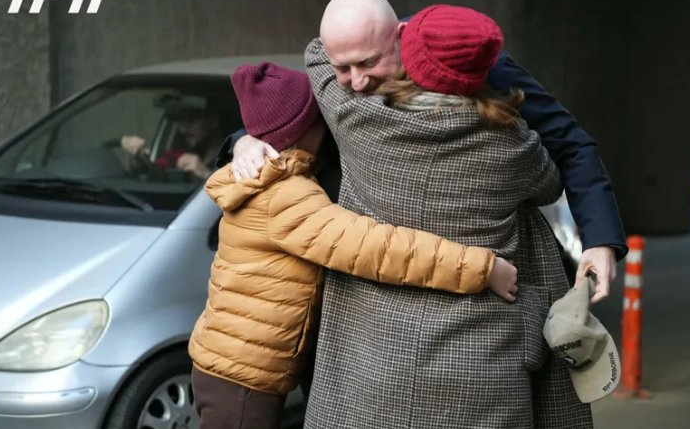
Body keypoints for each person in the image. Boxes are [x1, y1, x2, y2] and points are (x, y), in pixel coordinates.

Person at [231, 2, 598, 427]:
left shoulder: (353, 116)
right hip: (482, 366)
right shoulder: (515, 147)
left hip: (371, 366)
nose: (357, 78)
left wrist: (392, 30)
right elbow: (550, 184)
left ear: (404, 51)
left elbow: (317, 52)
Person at [233, 0, 626, 301]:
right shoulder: (334, 78)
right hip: (362, 278)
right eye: (342, 68)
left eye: (368, 64)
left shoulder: (476, 68)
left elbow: (571, 144)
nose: (356, 82)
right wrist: (245, 140)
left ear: (399, 36)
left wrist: (600, 242)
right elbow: (289, 117)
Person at [188, 62, 519, 429]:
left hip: (231, 367)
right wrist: (482, 268)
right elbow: (377, 248)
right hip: (242, 380)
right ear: (307, 129)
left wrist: (244, 139)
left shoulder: (266, 179)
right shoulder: (287, 197)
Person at [121, 94, 224, 180]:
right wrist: (139, 156)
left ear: (212, 122)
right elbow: (156, 168)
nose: (182, 129)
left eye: (190, 120)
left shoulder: (230, 158)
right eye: (180, 122)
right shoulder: (178, 154)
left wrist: (206, 174)